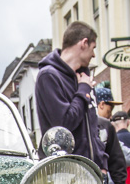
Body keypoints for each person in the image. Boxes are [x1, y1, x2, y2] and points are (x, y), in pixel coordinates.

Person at [35, 22, 106, 172]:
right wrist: (83, 90)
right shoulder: (49, 76)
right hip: (67, 174)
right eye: (93, 48)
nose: (94, 55)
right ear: (84, 43)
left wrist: (102, 164)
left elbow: (93, 128)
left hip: (91, 173)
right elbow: (63, 124)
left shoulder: (82, 77)